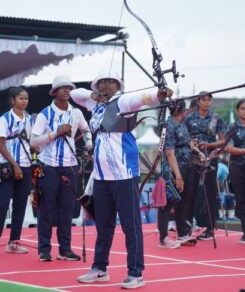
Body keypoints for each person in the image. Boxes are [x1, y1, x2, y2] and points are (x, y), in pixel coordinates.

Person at [70, 72, 173, 289]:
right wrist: (93, 95)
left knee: (131, 226)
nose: (107, 85)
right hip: (101, 176)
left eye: (111, 82)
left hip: (124, 176)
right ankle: (100, 269)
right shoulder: (95, 104)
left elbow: (142, 98)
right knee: (104, 225)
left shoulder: (123, 102)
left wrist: (159, 94)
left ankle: (136, 273)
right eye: (102, 82)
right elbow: (74, 93)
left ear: (118, 85)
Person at [30, 75, 92, 261]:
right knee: (47, 208)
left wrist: (89, 145)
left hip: (70, 166)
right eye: (62, 87)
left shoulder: (76, 113)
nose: (66, 90)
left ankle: (64, 249)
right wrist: (55, 133)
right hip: (48, 166)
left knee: (67, 209)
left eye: (69, 88)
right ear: (54, 91)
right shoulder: (44, 114)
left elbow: (87, 130)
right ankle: (44, 249)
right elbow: (33, 142)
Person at [185, 91, 225, 240]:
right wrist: (193, 144)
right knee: (190, 192)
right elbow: (184, 137)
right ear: (198, 102)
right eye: (204, 100)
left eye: (209, 100)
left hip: (210, 158)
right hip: (192, 158)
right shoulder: (189, 118)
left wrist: (209, 144)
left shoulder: (216, 118)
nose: (207, 102)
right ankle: (187, 227)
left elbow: (222, 140)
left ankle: (210, 228)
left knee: (211, 194)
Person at [158, 100, 196, 248]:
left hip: (187, 166)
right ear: (181, 110)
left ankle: (182, 234)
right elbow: (169, 153)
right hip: (174, 169)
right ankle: (163, 237)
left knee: (183, 201)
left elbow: (188, 143)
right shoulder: (169, 125)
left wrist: (197, 150)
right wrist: (178, 176)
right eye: (184, 109)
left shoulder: (182, 124)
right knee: (167, 203)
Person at [0, 86, 32, 254]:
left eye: (26, 98)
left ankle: (14, 242)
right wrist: (14, 164)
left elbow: (32, 143)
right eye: (20, 98)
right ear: (13, 100)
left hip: (26, 165)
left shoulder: (29, 119)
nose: (24, 101)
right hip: (7, 166)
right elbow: (1, 144)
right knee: (3, 204)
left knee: (20, 205)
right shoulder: (5, 119)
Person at [226, 99, 245, 244]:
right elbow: (228, 148)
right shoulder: (233, 127)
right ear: (238, 111)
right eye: (242, 108)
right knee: (242, 200)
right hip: (237, 167)